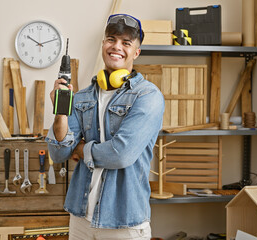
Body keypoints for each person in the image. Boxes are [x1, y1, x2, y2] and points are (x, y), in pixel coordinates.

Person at [46, 13, 165, 240]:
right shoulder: (81, 97)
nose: (116, 47)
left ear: (136, 52)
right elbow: (58, 152)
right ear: (103, 45)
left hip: (123, 221)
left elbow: (121, 154)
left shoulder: (147, 96)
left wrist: (81, 150)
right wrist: (61, 112)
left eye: (126, 43)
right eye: (111, 39)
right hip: (81, 217)